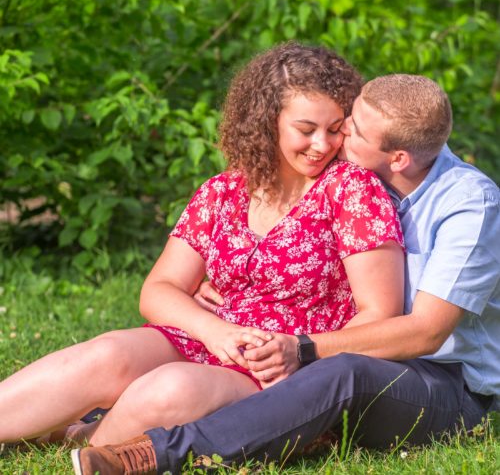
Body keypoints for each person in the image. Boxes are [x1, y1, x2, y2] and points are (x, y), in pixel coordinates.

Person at [71, 73, 499, 475]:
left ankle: (156, 453)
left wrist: (304, 348)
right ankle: (99, 423)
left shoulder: (469, 205)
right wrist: (216, 279)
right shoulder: (368, 172)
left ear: (399, 158)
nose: (341, 131)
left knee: (342, 372)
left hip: (449, 384)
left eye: (354, 130)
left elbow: (426, 333)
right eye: (349, 117)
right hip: (372, 356)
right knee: (338, 369)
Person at [0, 44, 404, 449]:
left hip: (283, 372)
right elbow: (158, 290)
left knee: (171, 387)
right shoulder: (224, 190)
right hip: (211, 337)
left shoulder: (353, 190)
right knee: (107, 354)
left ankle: (76, 437)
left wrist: (305, 361)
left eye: (335, 129)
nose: (322, 144)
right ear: (268, 121)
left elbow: (379, 312)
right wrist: (215, 331)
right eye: (305, 129)